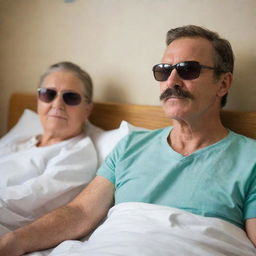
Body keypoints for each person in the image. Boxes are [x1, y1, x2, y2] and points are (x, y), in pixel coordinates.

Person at [0, 25, 256, 255]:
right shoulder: (131, 145)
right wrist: (14, 241)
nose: (172, 81)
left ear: (223, 84)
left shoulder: (250, 159)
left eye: (188, 70)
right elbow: (79, 213)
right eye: (164, 71)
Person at [0, 62, 98, 235]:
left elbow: (28, 201)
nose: (57, 104)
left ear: (87, 110)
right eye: (48, 94)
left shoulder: (78, 154)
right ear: (38, 100)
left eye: (71, 97)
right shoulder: (19, 141)